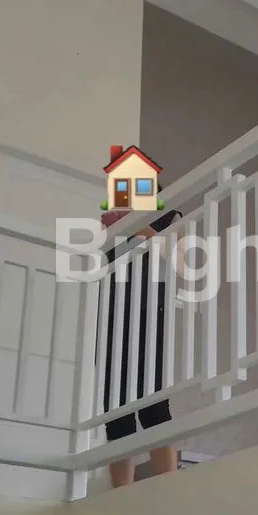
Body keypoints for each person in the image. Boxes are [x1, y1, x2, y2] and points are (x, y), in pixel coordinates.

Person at [99, 207, 182, 488]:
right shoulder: (107, 216)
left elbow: (176, 256)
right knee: (115, 408)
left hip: (149, 310)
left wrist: (132, 224)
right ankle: (121, 494)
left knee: (153, 403)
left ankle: (169, 485)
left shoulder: (168, 214)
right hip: (110, 313)